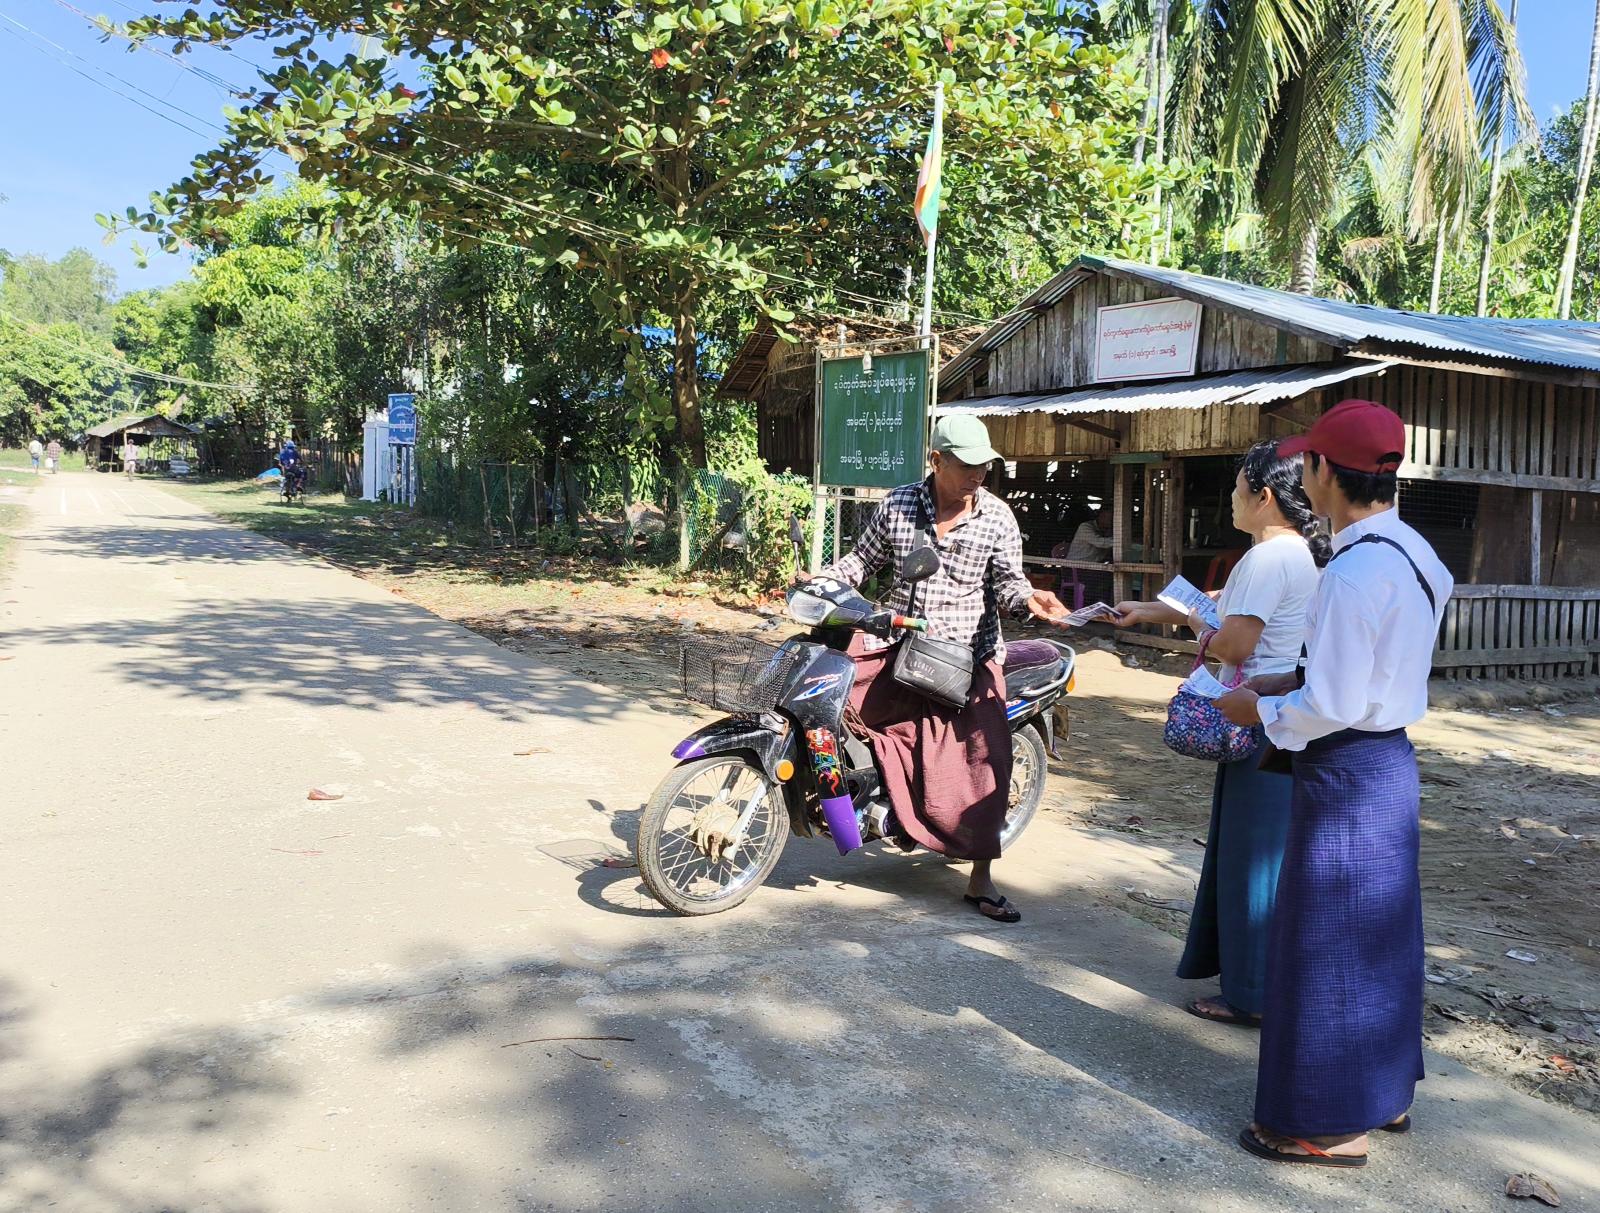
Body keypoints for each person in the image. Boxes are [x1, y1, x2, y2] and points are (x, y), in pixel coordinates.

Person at [1217, 399, 1452, 1170]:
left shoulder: (1351, 572)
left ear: (1323, 471)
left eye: (1307, 462)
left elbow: (1335, 703)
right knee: (1380, 939)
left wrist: (1261, 706)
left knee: (1324, 943)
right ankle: (1384, 1093)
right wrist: (1292, 681)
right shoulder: (1418, 553)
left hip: (1345, 767)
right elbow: (1371, 671)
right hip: (1388, 764)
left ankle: (1323, 1122)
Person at [818, 414, 1072, 923]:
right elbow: (860, 563)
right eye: (967, 465)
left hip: (967, 659)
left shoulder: (997, 517)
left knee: (984, 763)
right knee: (833, 694)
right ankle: (874, 804)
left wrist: (1030, 600)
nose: (979, 475)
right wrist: (822, 581)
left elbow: (1009, 584)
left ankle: (980, 878)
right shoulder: (898, 505)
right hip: (901, 643)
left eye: (985, 466)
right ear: (936, 460)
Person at [1112, 440, 1324, 1028]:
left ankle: (1253, 994)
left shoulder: (1266, 558)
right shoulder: (1298, 554)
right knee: (1255, 853)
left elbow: (1233, 643)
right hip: (1281, 718)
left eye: (1236, 486)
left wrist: (1196, 634)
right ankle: (1256, 981)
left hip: (1256, 719)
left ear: (1263, 495)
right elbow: (1221, 609)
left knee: (1251, 860)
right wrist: (1147, 611)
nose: (1230, 496)